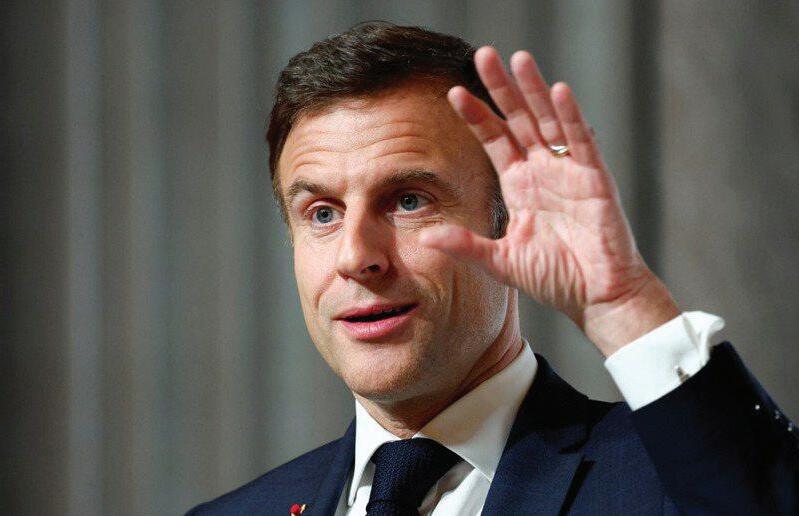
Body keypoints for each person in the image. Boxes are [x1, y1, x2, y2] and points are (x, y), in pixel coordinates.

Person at [187, 22, 798, 515]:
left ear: (508, 217)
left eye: (408, 200)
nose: (355, 257)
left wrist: (622, 304)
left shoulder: (663, 484)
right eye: (322, 213)